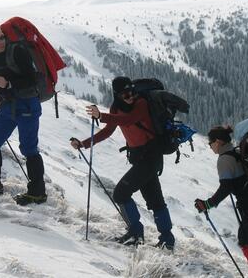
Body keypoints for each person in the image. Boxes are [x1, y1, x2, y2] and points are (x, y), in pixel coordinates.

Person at [70, 76, 175, 250]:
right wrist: (84, 143)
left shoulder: (141, 103)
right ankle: (167, 240)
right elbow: (107, 131)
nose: (130, 97)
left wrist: (101, 115)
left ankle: (136, 233)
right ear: (117, 94)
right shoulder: (116, 108)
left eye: (132, 92)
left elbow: (129, 120)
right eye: (125, 94)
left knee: (120, 194)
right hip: (141, 158)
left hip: (151, 156)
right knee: (155, 199)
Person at [195, 126, 248, 278]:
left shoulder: (224, 159)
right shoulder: (236, 152)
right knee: (246, 239)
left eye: (211, 142)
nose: (209, 145)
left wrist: (208, 204)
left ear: (219, 141)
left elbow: (226, 187)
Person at [0, 24, 47, 206]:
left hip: (27, 105)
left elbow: (33, 78)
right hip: (8, 106)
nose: (1, 42)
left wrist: (9, 85)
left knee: (29, 148)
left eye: (2, 37)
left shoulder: (18, 52)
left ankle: (37, 194)